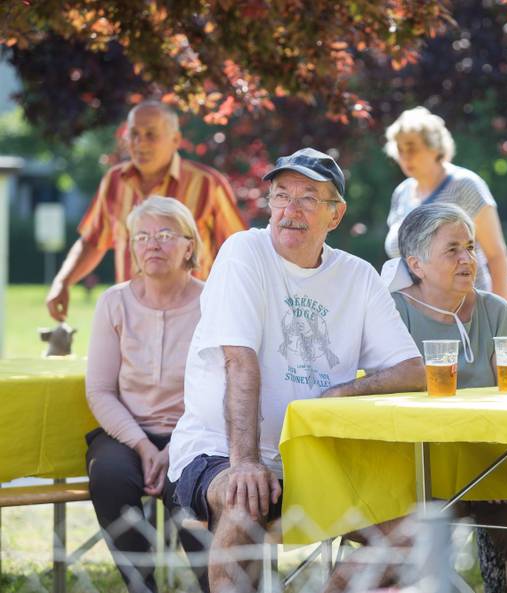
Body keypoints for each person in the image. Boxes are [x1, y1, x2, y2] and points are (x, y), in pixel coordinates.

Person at [167, 148, 426, 593]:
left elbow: (412, 371)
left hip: (316, 459)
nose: (291, 210)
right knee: (242, 500)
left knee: (413, 534)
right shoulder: (244, 251)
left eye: (309, 198)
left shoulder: (357, 276)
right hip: (218, 450)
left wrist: (341, 394)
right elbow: (239, 361)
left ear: (335, 215)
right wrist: (245, 462)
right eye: (281, 195)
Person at [382, 202, 507, 593]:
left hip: (491, 463)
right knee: (400, 541)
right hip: (415, 470)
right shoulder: (392, 313)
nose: (468, 258)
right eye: (452, 250)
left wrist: (497, 465)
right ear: (416, 264)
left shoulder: (496, 312)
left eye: (470, 247)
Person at [85, 196, 208, 593]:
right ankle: (142, 587)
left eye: (165, 234)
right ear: (133, 247)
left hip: (196, 432)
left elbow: (222, 389)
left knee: (192, 486)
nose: (152, 243)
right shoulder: (114, 302)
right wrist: (143, 446)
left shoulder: (213, 302)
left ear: (190, 245)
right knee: (108, 476)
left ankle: (218, 584)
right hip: (128, 432)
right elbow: (100, 390)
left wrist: (175, 447)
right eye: (142, 236)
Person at [46, 100, 246, 322]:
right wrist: (62, 282)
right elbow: (93, 240)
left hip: (195, 320)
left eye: (151, 134)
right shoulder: (114, 181)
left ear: (176, 140)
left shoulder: (209, 184)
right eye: (133, 134)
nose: (140, 143)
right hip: (131, 319)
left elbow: (239, 252)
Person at [383, 106, 507, 299]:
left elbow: (497, 256)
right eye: (400, 150)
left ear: (434, 147)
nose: (405, 157)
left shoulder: (465, 186)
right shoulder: (401, 193)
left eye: (412, 148)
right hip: (415, 318)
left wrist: (500, 319)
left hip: (468, 315)